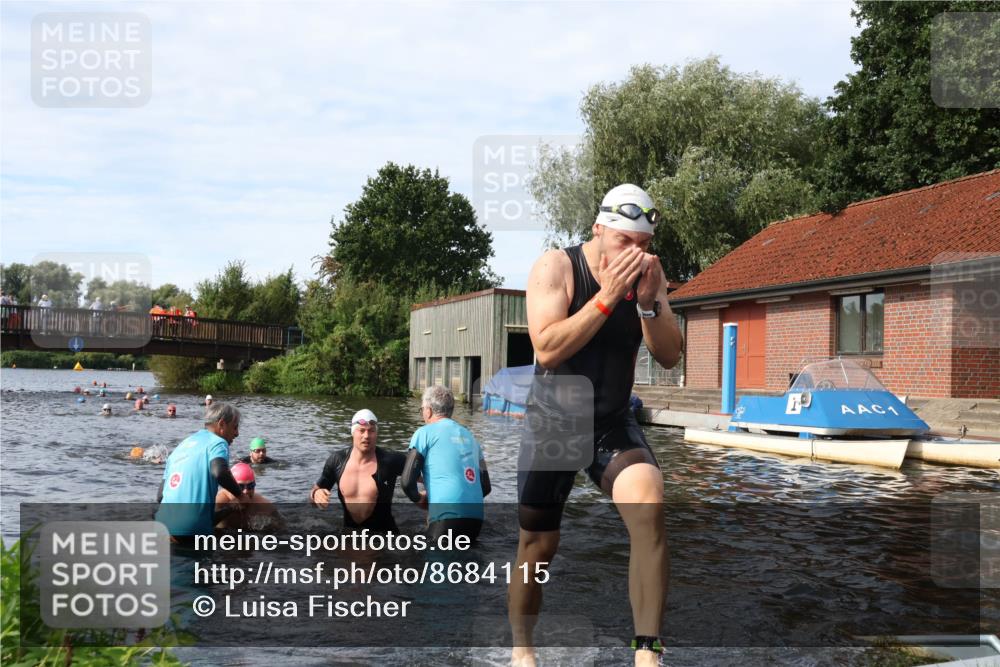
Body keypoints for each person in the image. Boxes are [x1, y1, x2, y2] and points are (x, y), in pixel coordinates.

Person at [509, 183, 684, 667]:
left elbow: (669, 356)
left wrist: (648, 303)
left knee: (649, 500)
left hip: (609, 419)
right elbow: (546, 347)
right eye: (624, 242)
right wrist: (607, 297)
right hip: (555, 421)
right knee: (538, 545)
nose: (635, 254)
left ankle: (647, 654)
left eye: (643, 245)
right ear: (599, 229)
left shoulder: (649, 275)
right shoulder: (556, 267)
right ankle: (523, 651)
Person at [401, 385, 491, 543]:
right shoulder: (471, 438)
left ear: (428, 410)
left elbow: (407, 482)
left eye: (421, 409)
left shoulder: (424, 433)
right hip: (476, 519)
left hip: (446, 516)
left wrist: (421, 500)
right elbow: (485, 486)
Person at [155, 402, 247, 541]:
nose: (237, 433)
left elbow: (160, 497)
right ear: (221, 424)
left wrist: (230, 509)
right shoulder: (217, 442)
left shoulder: (181, 446)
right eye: (235, 427)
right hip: (192, 534)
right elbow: (220, 472)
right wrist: (240, 496)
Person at [309, 409, 406, 533]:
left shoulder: (391, 460)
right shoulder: (337, 460)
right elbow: (312, 500)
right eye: (361, 430)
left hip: (384, 536)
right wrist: (315, 494)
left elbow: (426, 476)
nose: (366, 436)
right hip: (350, 533)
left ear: (376, 434)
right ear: (353, 433)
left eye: (371, 431)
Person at [215, 463, 283, 532]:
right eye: (240, 486)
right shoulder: (218, 502)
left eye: (250, 486)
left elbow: (282, 526)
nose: (246, 491)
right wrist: (229, 509)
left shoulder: (262, 504)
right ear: (230, 487)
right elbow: (206, 525)